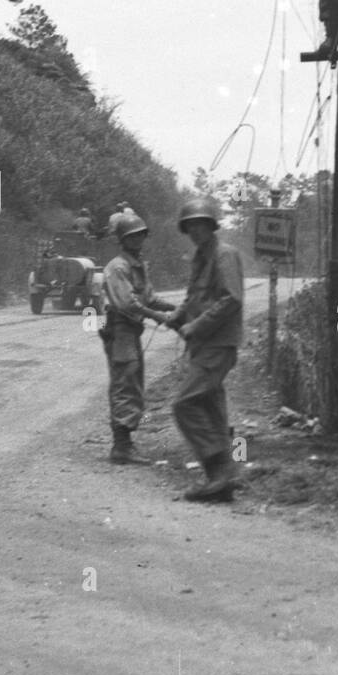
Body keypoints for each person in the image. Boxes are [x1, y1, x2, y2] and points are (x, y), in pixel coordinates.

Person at [166, 195, 245, 500]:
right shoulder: (201, 257)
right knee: (211, 406)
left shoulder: (225, 255)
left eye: (201, 225)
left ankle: (222, 468)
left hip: (218, 343)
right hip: (204, 345)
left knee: (184, 404)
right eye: (190, 226)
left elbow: (231, 299)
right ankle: (221, 481)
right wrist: (178, 315)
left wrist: (194, 326)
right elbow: (194, 297)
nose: (196, 231)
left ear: (211, 225)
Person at [100, 211, 177, 465]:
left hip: (131, 330)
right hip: (120, 328)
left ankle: (125, 443)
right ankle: (121, 447)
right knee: (125, 382)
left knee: (133, 381)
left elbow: (150, 298)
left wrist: (175, 308)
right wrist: (159, 316)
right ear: (122, 240)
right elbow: (128, 304)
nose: (137, 240)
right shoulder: (117, 267)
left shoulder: (137, 265)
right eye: (132, 237)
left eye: (140, 236)